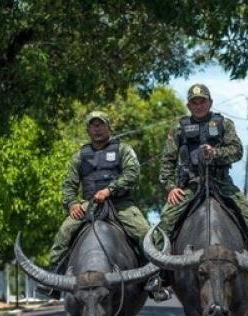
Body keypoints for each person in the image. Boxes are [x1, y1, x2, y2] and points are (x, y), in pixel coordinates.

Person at [152, 83, 248, 288]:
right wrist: (170, 187)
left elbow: (237, 150)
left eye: (202, 101)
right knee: (166, 221)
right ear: (188, 105)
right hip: (190, 186)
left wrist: (216, 154)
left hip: (221, 183)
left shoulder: (224, 124)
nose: (198, 105)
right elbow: (167, 160)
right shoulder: (178, 128)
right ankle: (159, 274)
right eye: (194, 102)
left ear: (210, 102)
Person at [43, 110, 169, 300]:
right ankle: (52, 280)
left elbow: (132, 174)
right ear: (88, 129)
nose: (97, 129)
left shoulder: (123, 149)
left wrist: (110, 190)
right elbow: (69, 184)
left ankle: (155, 279)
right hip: (89, 205)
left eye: (101, 124)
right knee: (64, 232)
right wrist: (72, 204)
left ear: (109, 127)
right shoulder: (80, 155)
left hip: (121, 204)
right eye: (93, 125)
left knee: (145, 233)